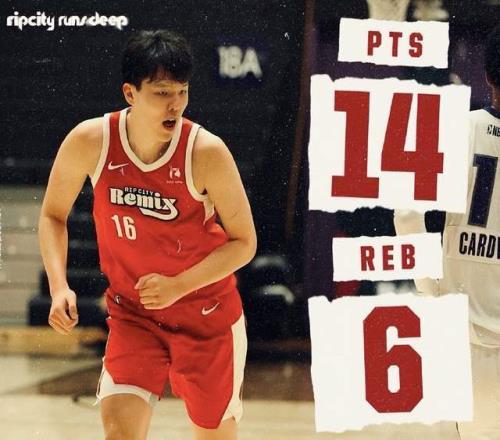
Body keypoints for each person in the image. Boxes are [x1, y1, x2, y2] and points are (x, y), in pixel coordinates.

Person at [38, 29, 257, 440]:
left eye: (182, 92)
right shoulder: (91, 140)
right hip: (134, 315)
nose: (175, 104)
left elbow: (245, 243)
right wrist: (58, 286)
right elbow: (52, 215)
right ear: (130, 93)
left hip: (205, 316)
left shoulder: (206, 152)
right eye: (161, 93)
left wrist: (179, 285)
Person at [394, 24, 500, 440]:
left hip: (468, 339)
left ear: (487, 75)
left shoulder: (455, 128)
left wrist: (429, 290)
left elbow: (407, 214)